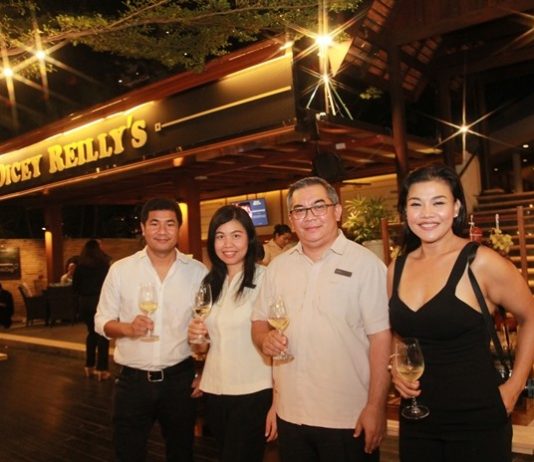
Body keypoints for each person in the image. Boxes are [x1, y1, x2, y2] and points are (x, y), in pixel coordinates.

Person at [388, 163, 534, 462]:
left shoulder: (481, 263)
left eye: (438, 202)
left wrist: (515, 386)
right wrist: (396, 368)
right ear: (405, 211)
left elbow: (530, 316)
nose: (427, 213)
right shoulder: (396, 268)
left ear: (456, 207)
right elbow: (400, 332)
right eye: (416, 204)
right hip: (417, 417)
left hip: (477, 418)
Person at [252, 176, 391, 462]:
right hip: (291, 414)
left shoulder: (366, 265)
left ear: (337, 211)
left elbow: (382, 339)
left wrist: (376, 407)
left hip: (348, 417)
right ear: (291, 220)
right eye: (300, 210)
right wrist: (264, 338)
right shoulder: (278, 268)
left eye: (319, 206)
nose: (309, 216)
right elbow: (259, 322)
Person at [94, 198, 208, 462]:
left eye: (170, 224)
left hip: (179, 381)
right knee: (128, 453)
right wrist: (127, 328)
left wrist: (205, 369)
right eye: (154, 223)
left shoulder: (197, 272)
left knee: (182, 453)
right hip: (132, 383)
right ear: (143, 228)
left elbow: (208, 325)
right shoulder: (121, 270)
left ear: (179, 228)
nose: (162, 231)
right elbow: (101, 321)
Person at [188, 205, 276, 462]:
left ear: (250, 238)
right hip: (214, 391)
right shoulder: (210, 282)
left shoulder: (267, 279)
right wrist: (197, 338)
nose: (228, 244)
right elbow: (203, 347)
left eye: (236, 235)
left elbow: (279, 340)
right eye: (220, 236)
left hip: (254, 391)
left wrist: (278, 402)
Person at [72, 240, 111, 380]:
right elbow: (109, 286)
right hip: (100, 302)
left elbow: (75, 287)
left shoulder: (80, 266)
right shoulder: (104, 265)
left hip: (85, 303)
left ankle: (89, 366)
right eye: (101, 245)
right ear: (97, 248)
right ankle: (102, 369)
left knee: (91, 333)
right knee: (103, 334)